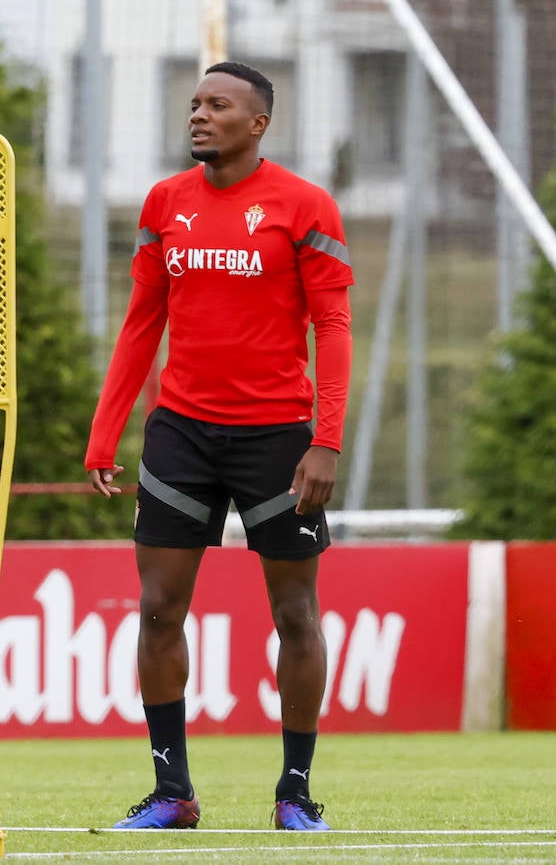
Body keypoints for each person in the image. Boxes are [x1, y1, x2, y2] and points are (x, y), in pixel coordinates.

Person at [85, 62, 353, 831]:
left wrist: (326, 440)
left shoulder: (304, 205)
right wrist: (106, 431)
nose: (199, 114)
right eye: (195, 102)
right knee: (159, 610)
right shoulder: (165, 204)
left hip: (278, 439)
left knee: (296, 615)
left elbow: (332, 329)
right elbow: (142, 322)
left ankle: (295, 794)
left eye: (218, 104)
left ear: (258, 123)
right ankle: (173, 793)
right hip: (181, 434)